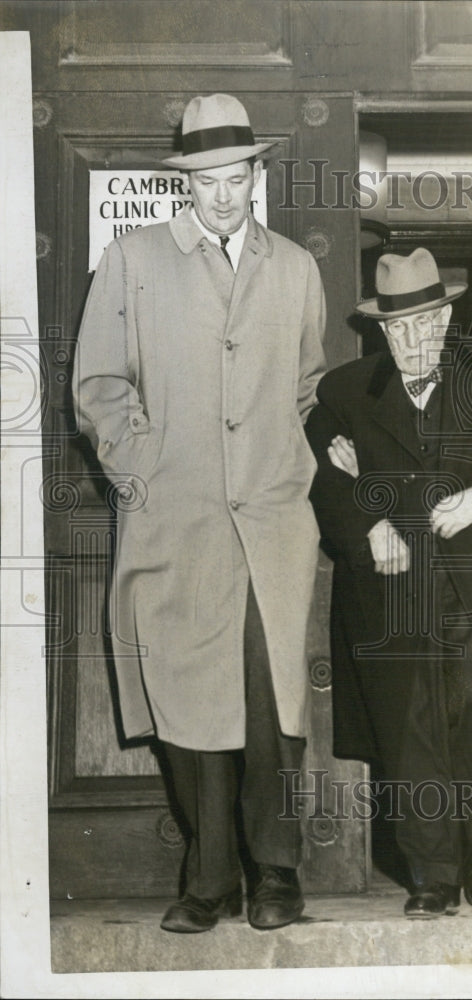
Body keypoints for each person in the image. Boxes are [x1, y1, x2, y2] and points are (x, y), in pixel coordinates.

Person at [73, 94, 326, 933]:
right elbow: (101, 388)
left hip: (271, 525)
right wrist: (145, 473)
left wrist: (286, 467)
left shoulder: (292, 266)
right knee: (189, 704)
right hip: (174, 523)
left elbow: (305, 385)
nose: (224, 193)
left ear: (257, 174)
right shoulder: (132, 259)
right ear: (186, 182)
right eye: (208, 178)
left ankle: (277, 874)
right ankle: (209, 878)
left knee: (269, 699)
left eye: (238, 174)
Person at [305, 248, 472, 918]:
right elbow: (315, 476)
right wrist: (367, 522)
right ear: (379, 330)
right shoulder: (344, 395)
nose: (414, 341)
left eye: (426, 324)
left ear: (446, 319)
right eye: (398, 328)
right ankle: (429, 869)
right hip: (391, 595)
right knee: (411, 734)